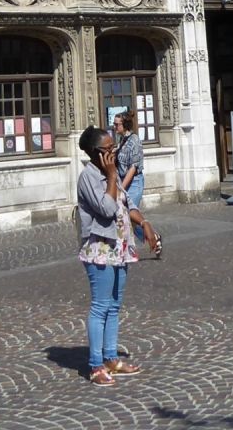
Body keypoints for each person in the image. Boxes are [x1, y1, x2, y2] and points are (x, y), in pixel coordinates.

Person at [75, 126, 141, 385]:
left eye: (114, 148)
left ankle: (111, 357)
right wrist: (112, 175)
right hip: (99, 249)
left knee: (114, 305)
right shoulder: (89, 177)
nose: (113, 154)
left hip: (120, 247)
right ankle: (95, 364)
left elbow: (126, 202)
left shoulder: (108, 173)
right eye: (108, 150)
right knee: (101, 306)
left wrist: (144, 224)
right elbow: (106, 207)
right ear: (95, 153)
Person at [110, 110, 162, 256]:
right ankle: (152, 236)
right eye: (114, 124)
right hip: (123, 180)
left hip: (134, 182)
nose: (114, 127)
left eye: (116, 124)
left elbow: (133, 168)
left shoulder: (134, 141)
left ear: (124, 125)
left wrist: (122, 188)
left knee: (128, 212)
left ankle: (148, 236)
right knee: (127, 216)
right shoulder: (122, 140)